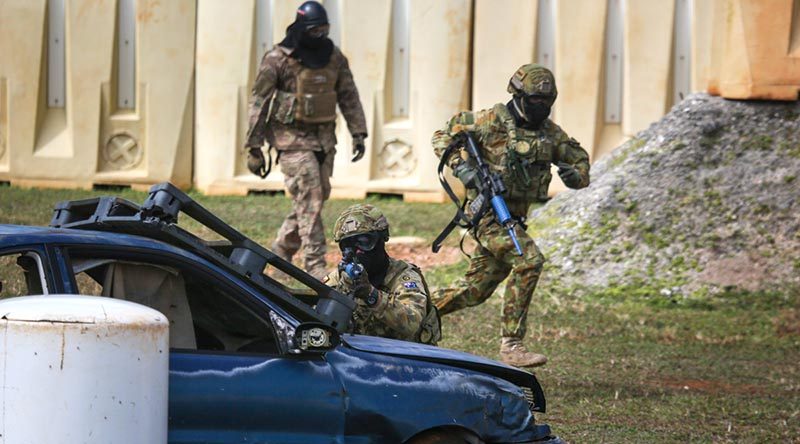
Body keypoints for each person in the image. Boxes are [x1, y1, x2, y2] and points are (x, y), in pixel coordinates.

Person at [431, 64, 590, 367]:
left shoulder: (550, 134)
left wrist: (574, 176)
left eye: (547, 102)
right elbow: (441, 135)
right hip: (487, 216)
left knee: (475, 290)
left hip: (514, 219)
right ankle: (512, 345)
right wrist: (461, 167)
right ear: (518, 96)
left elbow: (579, 162)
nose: (541, 107)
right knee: (529, 260)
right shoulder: (488, 121)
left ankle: (407, 313)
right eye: (535, 101)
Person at [245, 1, 368, 279]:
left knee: (314, 198)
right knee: (311, 197)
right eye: (314, 30)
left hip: (324, 140)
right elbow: (259, 103)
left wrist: (358, 131)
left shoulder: (334, 58)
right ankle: (315, 267)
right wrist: (254, 146)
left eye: (324, 29)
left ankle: (280, 253)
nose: (320, 36)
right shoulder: (278, 59)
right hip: (291, 141)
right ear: (302, 28)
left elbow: (348, 95)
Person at [322, 204, 441, 345]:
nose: (358, 251)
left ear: (382, 238)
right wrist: (342, 292)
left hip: (404, 358)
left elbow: (412, 323)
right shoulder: (338, 279)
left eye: (365, 242)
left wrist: (371, 295)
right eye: (348, 245)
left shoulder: (403, 277)